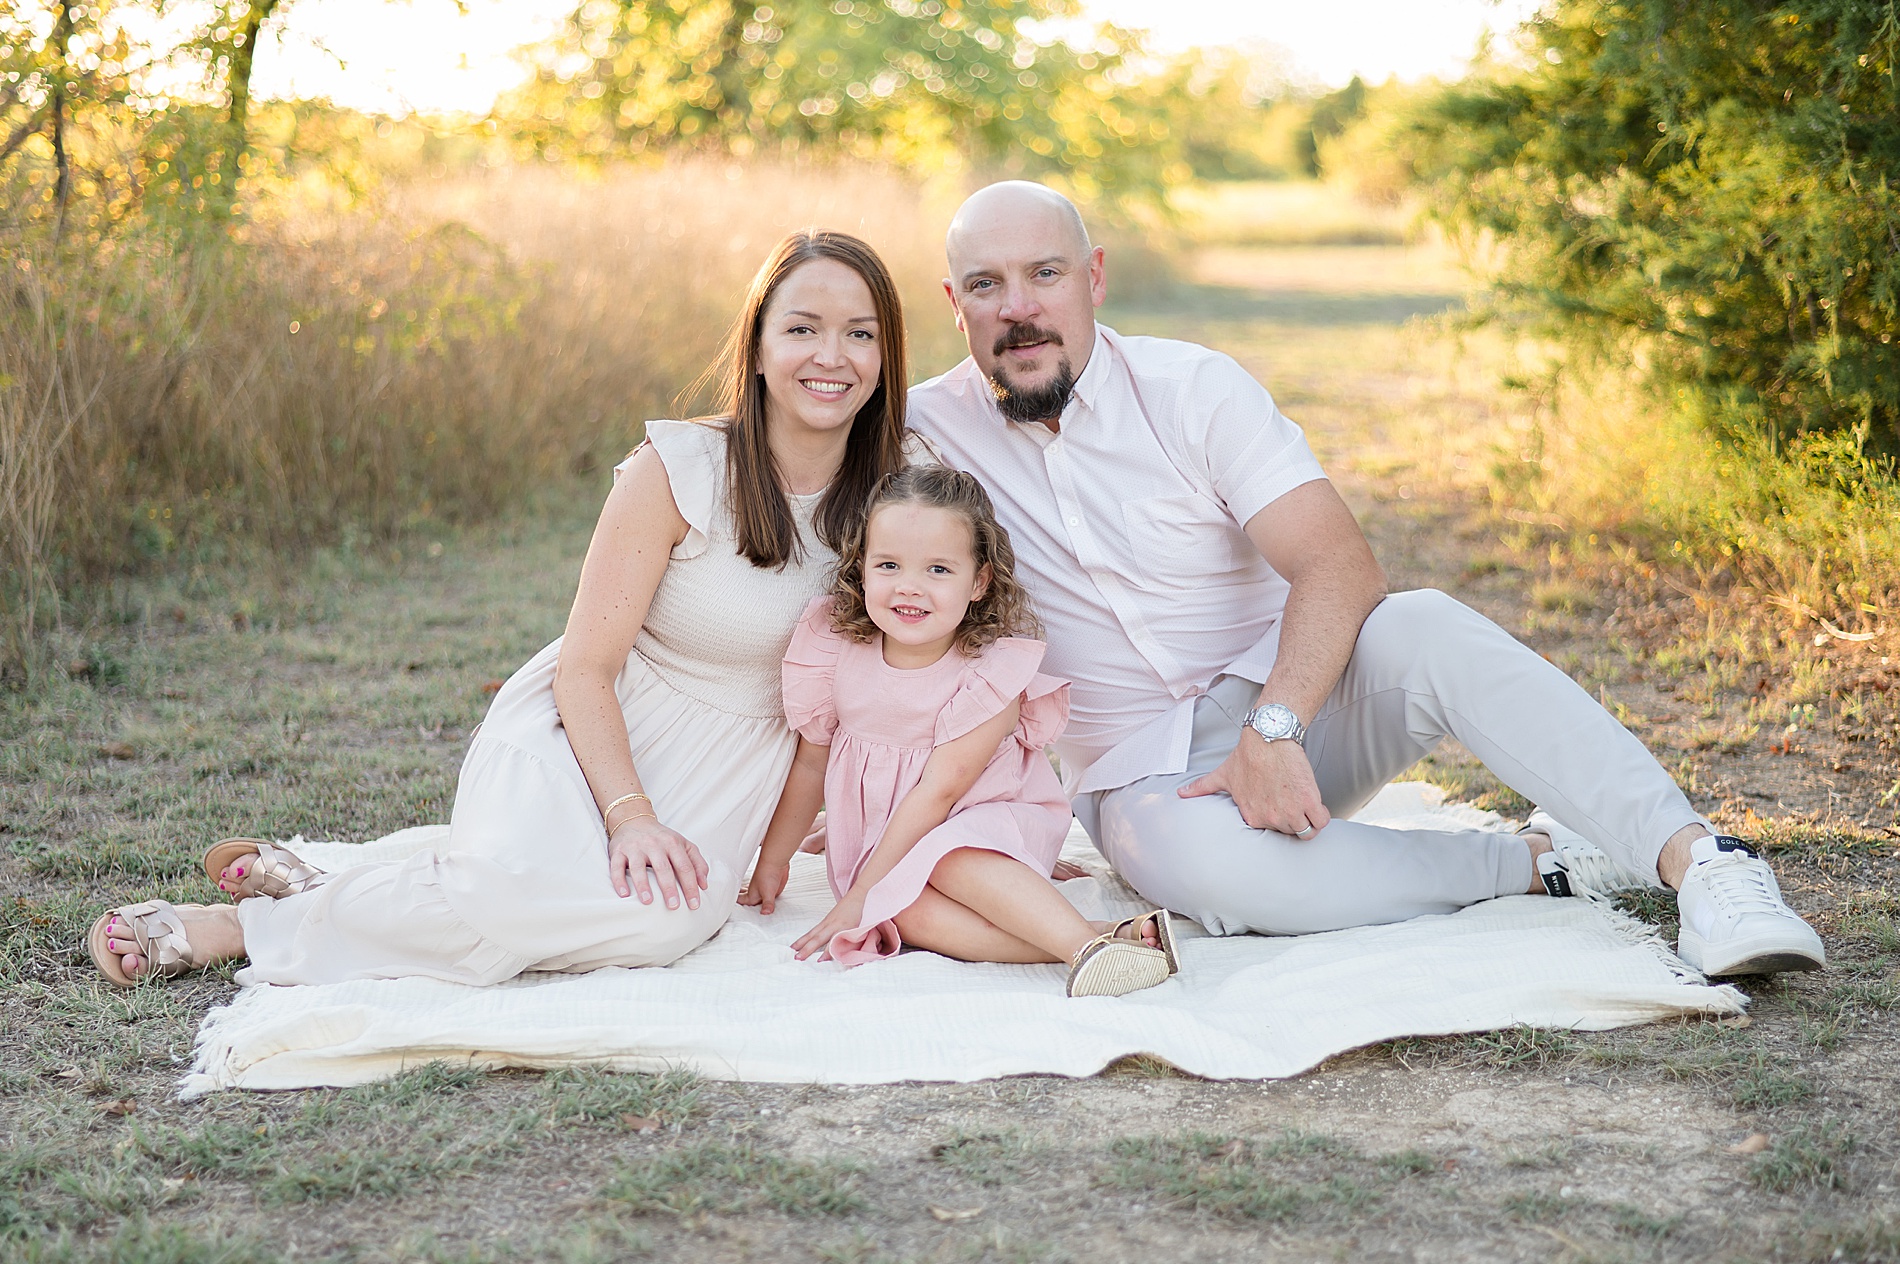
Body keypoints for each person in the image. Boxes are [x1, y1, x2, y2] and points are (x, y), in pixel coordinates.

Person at [905, 180, 1826, 979]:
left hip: (1297, 709)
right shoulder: (923, 435)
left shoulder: (1193, 390)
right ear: (955, 303)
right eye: (987, 285)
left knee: (1423, 624)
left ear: (1094, 276)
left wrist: (1276, 726)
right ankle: (1539, 863)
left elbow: (1339, 566)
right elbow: (790, 484)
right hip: (1139, 779)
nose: (1018, 307)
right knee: (1206, 873)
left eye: (1046, 274)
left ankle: (1706, 865)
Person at [88, 230, 922, 987]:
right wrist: (629, 817)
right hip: (593, 729)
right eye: (803, 327)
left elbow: (939, 658)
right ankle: (245, 925)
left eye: (861, 332)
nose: (833, 356)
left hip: (732, 772)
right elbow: (587, 667)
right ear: (761, 343)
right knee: (509, 888)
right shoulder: (678, 469)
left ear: (888, 354)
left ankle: (331, 886)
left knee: (659, 924)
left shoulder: (905, 488)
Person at [739, 466, 1179, 997]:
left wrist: (858, 895)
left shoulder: (989, 675)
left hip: (981, 823)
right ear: (861, 570)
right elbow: (811, 764)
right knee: (906, 915)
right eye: (888, 564)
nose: (910, 587)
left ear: (980, 582)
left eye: (939, 570)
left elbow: (939, 794)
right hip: (887, 842)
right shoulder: (833, 645)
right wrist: (773, 860)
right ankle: (1107, 940)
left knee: (948, 858)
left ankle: (1079, 953)